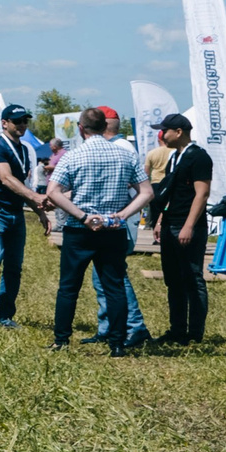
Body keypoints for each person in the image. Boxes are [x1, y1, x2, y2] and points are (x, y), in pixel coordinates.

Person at [44, 107, 152, 355]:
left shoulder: (73, 156)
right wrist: (123, 215)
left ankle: (61, 340)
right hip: (112, 228)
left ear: (81, 129)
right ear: (105, 127)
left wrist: (81, 216)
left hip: (80, 229)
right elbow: (147, 192)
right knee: (114, 287)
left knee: (69, 287)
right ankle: (117, 343)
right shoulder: (125, 155)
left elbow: (53, 192)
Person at [0, 106, 51, 327]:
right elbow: (6, 179)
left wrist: (40, 212)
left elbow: (21, 185)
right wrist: (37, 197)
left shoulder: (25, 150)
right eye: (17, 121)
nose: (23, 125)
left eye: (25, 121)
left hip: (15, 212)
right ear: (4, 123)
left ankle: (5, 315)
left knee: (14, 266)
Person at [150, 113, 215, 344]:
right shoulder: (174, 157)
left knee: (192, 277)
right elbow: (170, 192)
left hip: (188, 227)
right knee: (173, 279)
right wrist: (159, 220)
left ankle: (194, 333)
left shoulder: (198, 157)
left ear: (179, 132)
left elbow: (202, 193)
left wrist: (188, 226)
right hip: (169, 224)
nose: (162, 135)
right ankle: (177, 330)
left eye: (165, 130)